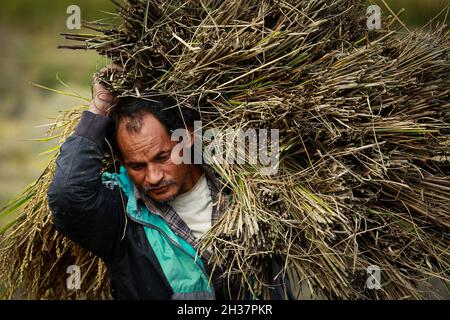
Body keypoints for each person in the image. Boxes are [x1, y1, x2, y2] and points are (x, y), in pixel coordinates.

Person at [47, 67, 294, 300]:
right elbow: (68, 194)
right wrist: (100, 109)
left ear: (187, 137)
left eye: (162, 157)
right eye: (137, 166)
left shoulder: (249, 191)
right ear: (122, 161)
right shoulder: (120, 216)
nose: (153, 177)